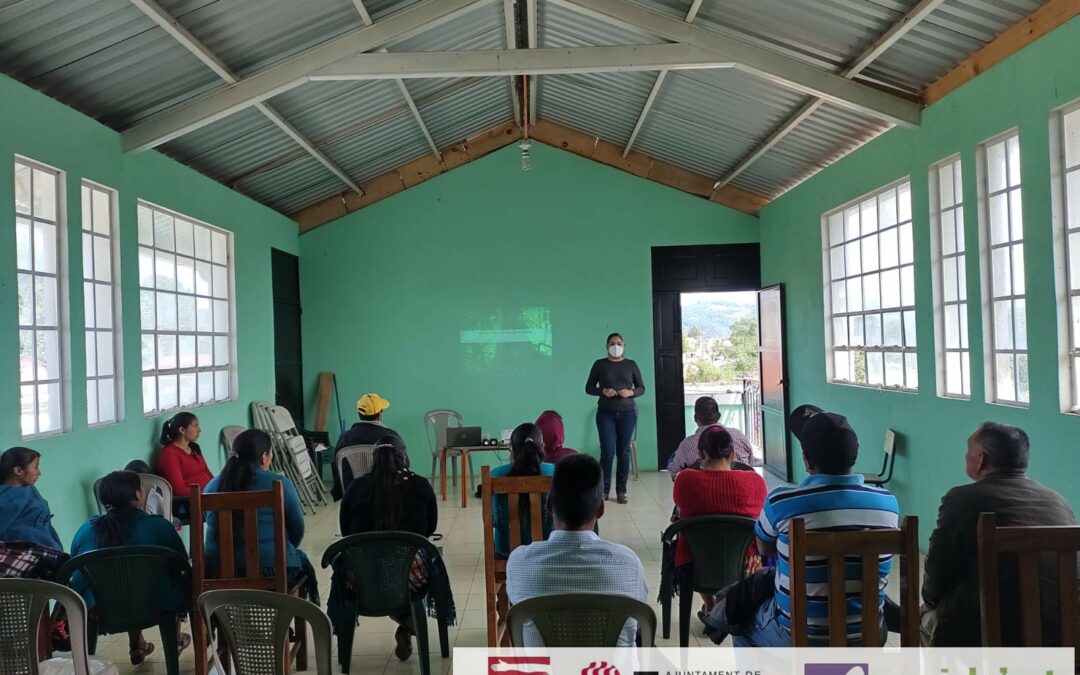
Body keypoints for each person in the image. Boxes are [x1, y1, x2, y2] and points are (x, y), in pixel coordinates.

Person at [702, 404, 899, 647]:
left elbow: (765, 549)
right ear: (854, 455)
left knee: (740, 619)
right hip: (869, 633)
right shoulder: (887, 504)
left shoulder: (782, 501)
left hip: (799, 637)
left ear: (807, 460)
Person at [921, 422, 1077, 647]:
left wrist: (929, 604)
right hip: (1060, 631)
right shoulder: (1058, 502)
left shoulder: (962, 500)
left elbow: (938, 574)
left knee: (921, 618)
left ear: (981, 458)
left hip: (988, 634)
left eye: (968, 450)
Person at [506, 454, 648, 647]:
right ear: (600, 509)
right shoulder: (629, 564)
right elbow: (637, 623)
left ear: (550, 505)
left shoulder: (518, 563)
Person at [337, 435, 444, 661]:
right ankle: (409, 622)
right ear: (404, 457)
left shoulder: (356, 488)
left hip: (361, 579)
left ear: (374, 459)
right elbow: (429, 527)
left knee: (380, 568)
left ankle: (407, 623)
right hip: (410, 578)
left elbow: (346, 531)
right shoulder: (421, 485)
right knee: (414, 562)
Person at [69, 471, 191, 665]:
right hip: (155, 605)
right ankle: (174, 639)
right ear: (137, 494)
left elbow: (76, 572)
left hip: (101, 611)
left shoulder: (86, 530)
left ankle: (135, 644)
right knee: (170, 579)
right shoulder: (159, 527)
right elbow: (181, 565)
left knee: (120, 583)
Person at [203, 429, 317, 603]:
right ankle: (281, 625)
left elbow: (207, 519)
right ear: (264, 457)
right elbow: (297, 529)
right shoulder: (279, 484)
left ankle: (228, 626)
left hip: (217, 572)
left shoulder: (211, 486)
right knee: (301, 560)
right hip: (271, 570)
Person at [672, 425, 767, 612]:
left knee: (684, 535)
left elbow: (680, 506)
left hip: (696, 565)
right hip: (743, 566)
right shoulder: (755, 482)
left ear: (700, 453)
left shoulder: (685, 480)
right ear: (732, 453)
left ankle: (711, 606)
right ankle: (728, 608)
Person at [584, 332, 645, 504]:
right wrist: (602, 390)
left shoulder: (631, 364)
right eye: (612, 343)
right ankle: (603, 490)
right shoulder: (599, 364)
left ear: (624, 345)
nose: (616, 346)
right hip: (605, 414)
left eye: (619, 343)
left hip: (628, 413)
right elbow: (588, 387)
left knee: (623, 452)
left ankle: (621, 491)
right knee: (608, 452)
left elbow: (641, 388)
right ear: (607, 346)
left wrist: (631, 392)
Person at [490, 423, 555, 558]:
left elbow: (494, 518)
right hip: (548, 552)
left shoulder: (496, 475)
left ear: (512, 450)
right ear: (542, 447)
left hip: (507, 554)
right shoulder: (555, 472)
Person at [331, 393, 404, 501]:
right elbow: (404, 466)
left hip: (353, 499)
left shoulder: (344, 438)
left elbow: (337, 470)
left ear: (359, 414)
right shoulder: (392, 437)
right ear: (380, 415)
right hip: (387, 499)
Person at [667, 396, 754, 479]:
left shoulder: (686, 445)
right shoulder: (739, 436)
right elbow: (750, 465)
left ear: (695, 418)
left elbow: (675, 474)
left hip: (701, 492)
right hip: (740, 489)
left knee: (673, 457)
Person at [0, 447, 63, 550]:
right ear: (18, 470)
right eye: (36, 467)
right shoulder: (6, 499)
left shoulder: (30, 489)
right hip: (28, 554)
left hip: (49, 548)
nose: (39, 473)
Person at [155, 412, 213, 497]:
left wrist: (218, 487)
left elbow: (208, 474)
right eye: (195, 426)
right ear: (182, 430)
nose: (199, 430)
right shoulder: (169, 454)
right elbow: (179, 490)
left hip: (209, 495)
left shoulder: (194, 448)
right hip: (193, 501)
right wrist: (206, 495)